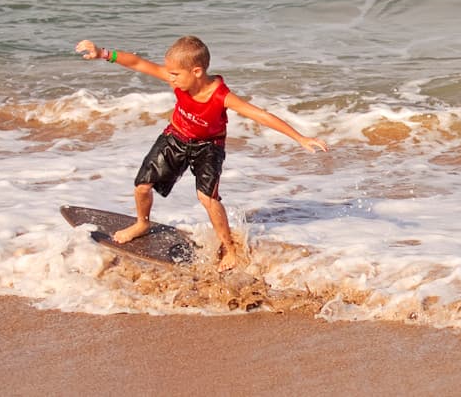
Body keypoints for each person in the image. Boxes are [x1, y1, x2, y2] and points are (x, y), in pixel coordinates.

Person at [75, 36, 328, 273]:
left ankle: (229, 248)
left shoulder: (221, 96)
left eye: (175, 74)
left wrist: (300, 138)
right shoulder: (178, 80)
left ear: (196, 72)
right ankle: (142, 223)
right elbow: (139, 63)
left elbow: (260, 115)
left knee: (207, 198)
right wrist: (102, 53)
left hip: (208, 146)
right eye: (169, 73)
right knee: (142, 186)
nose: (170, 79)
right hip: (175, 136)